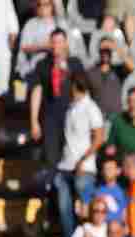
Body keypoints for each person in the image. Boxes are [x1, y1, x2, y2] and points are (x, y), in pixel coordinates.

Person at [53, 75, 105, 237]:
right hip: (66, 165)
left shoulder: (91, 108)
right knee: (64, 209)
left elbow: (99, 138)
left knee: (85, 211)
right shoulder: (71, 107)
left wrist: (83, 160)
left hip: (83, 167)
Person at [31, 29, 87, 169]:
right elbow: (37, 91)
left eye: (60, 42)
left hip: (72, 116)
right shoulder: (42, 65)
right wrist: (34, 121)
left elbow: (83, 89)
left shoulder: (75, 63)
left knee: (72, 155)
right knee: (52, 157)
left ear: (66, 43)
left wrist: (66, 71)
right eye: (54, 42)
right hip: (51, 118)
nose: (57, 45)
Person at [17, 0, 65, 79]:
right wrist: (44, 47)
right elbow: (24, 47)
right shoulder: (31, 23)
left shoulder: (60, 23)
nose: (42, 7)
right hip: (37, 64)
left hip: (59, 64)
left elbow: (67, 46)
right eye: (39, 5)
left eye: (46, 4)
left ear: (52, 6)